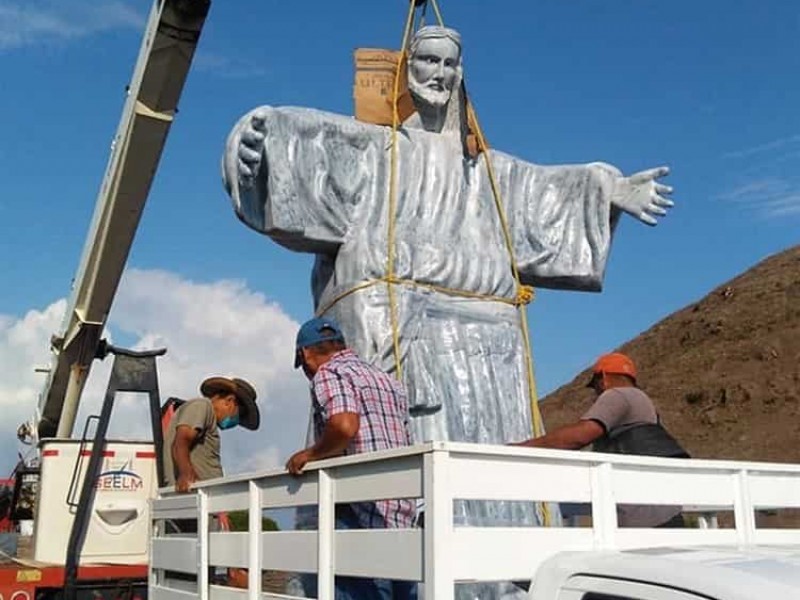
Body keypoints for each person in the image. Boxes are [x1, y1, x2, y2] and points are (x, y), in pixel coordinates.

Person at [221, 26, 676, 531]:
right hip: (397, 332)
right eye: (427, 62)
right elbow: (294, 144)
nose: (439, 74)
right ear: (406, 72)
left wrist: (608, 190)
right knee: (403, 460)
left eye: (449, 65)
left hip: (487, 352)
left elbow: (547, 191)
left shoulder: (486, 171)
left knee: (491, 459)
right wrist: (251, 154)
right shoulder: (376, 152)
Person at [286, 316, 416, 600]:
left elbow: (344, 426)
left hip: (359, 507)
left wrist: (310, 454)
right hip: (400, 509)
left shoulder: (329, 373)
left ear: (305, 353)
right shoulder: (387, 380)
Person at [512, 352, 688, 528]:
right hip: (662, 514)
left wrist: (521, 448)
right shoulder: (643, 403)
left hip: (641, 522)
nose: (596, 393)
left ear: (603, 379)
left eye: (595, 386)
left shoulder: (618, 395)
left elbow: (578, 437)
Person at [163, 376, 260, 492]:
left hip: (208, 500)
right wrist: (187, 475)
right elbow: (181, 442)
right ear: (230, 401)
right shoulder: (202, 406)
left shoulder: (209, 419)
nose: (237, 421)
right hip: (194, 498)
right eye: (239, 415)